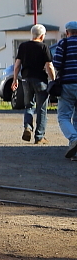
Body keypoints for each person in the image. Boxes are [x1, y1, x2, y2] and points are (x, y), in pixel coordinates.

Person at [13, 23, 55, 144]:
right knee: (41, 108)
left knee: (29, 106)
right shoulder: (44, 47)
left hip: (26, 80)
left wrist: (15, 79)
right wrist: (54, 80)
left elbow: (17, 65)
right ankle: (39, 136)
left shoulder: (23, 46)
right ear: (42, 36)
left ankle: (27, 127)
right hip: (40, 80)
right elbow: (49, 66)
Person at [54, 22, 77, 160]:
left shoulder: (64, 43)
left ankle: (74, 139)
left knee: (63, 116)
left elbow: (57, 64)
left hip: (67, 84)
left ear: (67, 32)